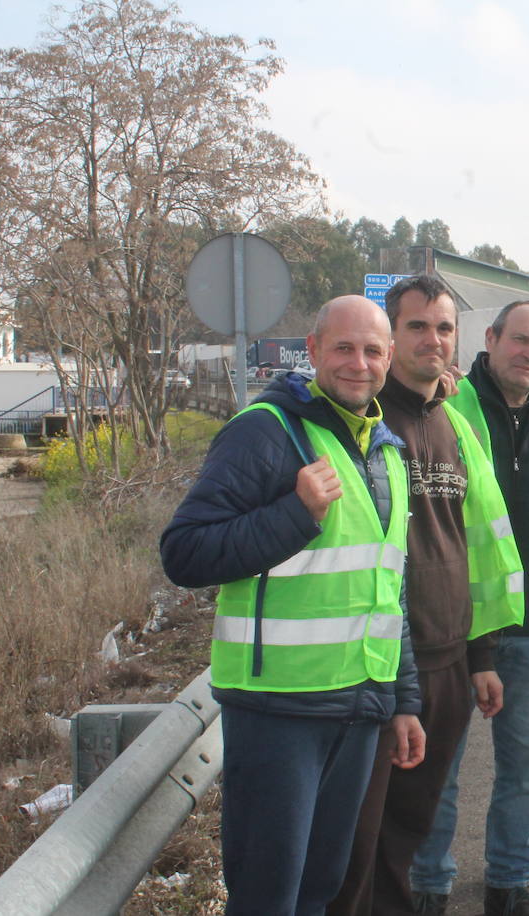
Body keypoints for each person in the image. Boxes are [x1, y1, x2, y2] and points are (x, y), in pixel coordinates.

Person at [160, 295, 426, 916]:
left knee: (318, 890)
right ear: (312, 351)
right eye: (343, 348)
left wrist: (404, 700)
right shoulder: (267, 431)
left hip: (359, 706)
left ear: (389, 357)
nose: (358, 364)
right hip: (278, 710)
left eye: (372, 351)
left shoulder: (386, 450)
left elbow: (387, 589)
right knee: (267, 897)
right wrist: (294, 514)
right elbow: (185, 554)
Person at [329, 275, 523, 916]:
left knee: (408, 829)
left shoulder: (455, 424)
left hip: (448, 662)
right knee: (359, 839)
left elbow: (474, 544)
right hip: (378, 665)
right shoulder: (361, 419)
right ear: (390, 337)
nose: (432, 340)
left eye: (444, 328)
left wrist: (482, 655)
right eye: (416, 326)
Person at [411, 299, 529, 916]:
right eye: (520, 340)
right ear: (489, 339)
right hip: (456, 630)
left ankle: (510, 885)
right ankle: (429, 887)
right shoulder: (448, 411)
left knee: (525, 770)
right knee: (440, 767)